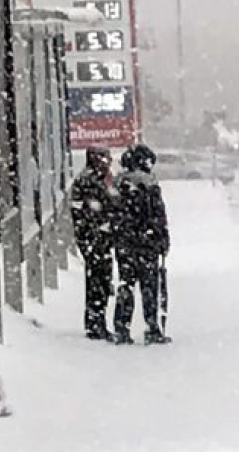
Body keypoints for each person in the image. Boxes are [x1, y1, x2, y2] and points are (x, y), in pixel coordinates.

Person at [112, 144, 172, 345]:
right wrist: (162, 240)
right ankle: (152, 326)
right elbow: (158, 217)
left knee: (126, 285)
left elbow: (115, 216)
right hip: (147, 245)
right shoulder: (150, 187)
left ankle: (122, 326)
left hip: (126, 244)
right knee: (149, 287)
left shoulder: (119, 185)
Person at [70, 147, 116, 341]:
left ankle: (96, 321)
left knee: (99, 280)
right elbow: (91, 211)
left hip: (95, 239)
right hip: (95, 239)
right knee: (98, 281)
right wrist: (103, 227)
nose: (109, 162)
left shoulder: (93, 179)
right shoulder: (91, 181)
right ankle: (96, 323)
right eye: (106, 158)